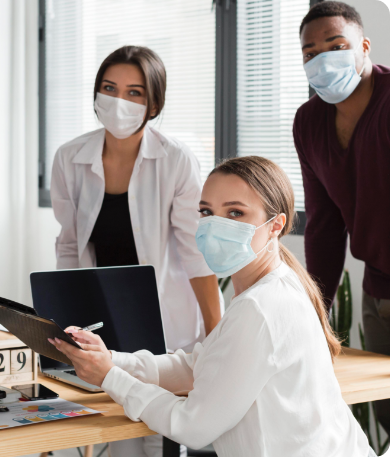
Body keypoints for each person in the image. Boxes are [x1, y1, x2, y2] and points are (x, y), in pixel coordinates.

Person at [50, 156, 375, 457]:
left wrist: (110, 377)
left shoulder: (261, 307)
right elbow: (200, 366)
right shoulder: (274, 285)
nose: (215, 225)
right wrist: (112, 362)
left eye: (235, 213)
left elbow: (192, 426)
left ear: (276, 225)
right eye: (206, 212)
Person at [50, 45, 222, 456]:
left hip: (163, 316)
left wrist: (217, 336)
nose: (119, 102)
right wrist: (62, 322)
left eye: (134, 93)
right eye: (109, 89)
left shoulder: (176, 159)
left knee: (159, 427)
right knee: (105, 428)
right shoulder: (70, 157)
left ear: (154, 103)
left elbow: (196, 252)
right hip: (99, 314)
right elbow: (69, 247)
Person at [294, 1, 390, 433]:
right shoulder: (309, 122)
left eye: (336, 45)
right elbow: (323, 223)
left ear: (364, 46)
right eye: (311, 53)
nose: (323, 59)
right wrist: (318, 309)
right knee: (387, 412)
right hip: (379, 292)